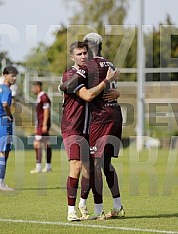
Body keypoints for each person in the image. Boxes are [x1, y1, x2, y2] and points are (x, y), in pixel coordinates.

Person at [60, 34, 124, 220]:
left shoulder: (92, 70)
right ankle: (72, 211)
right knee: (78, 165)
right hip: (73, 126)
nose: (82, 56)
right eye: (78, 54)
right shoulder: (72, 73)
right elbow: (87, 95)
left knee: (96, 166)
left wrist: (116, 92)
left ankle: (85, 204)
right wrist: (62, 87)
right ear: (72, 57)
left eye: (84, 52)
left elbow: (106, 87)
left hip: (92, 126)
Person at [0, 66, 18, 191]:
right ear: (5, 75)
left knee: (4, 152)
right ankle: (0, 184)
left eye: (15, 76)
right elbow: (5, 104)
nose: (14, 78)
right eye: (12, 75)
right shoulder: (6, 89)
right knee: (4, 152)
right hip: (3, 121)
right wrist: (9, 115)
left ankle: (1, 182)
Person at [30, 81, 52, 173]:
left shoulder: (44, 97)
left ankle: (38, 166)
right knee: (47, 144)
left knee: (36, 144)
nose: (32, 89)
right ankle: (48, 166)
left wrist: (44, 125)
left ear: (38, 87)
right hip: (40, 124)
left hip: (42, 124)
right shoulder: (40, 97)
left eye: (33, 87)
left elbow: (46, 111)